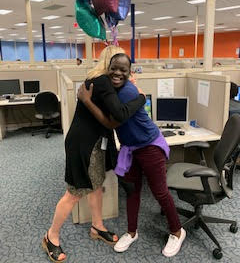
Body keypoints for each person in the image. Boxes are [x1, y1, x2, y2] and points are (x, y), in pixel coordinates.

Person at [42, 46, 146, 263]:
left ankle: (97, 227)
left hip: (96, 142)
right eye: (117, 66)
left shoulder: (101, 81)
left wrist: (130, 85)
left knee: (96, 185)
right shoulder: (102, 82)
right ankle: (51, 236)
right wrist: (141, 97)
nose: (120, 72)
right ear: (111, 63)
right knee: (74, 192)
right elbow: (119, 114)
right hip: (83, 145)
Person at [78, 53, 186, 258]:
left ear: (130, 73)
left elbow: (112, 121)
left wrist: (87, 101)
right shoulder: (111, 89)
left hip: (149, 145)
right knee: (132, 191)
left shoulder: (126, 91)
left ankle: (177, 231)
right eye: (114, 68)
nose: (117, 73)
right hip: (130, 148)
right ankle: (131, 232)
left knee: (160, 192)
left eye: (123, 70)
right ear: (107, 68)